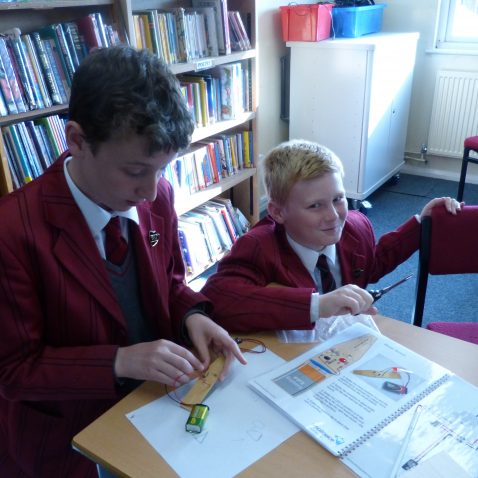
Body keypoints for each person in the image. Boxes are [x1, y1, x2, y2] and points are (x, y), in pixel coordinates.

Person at [0, 46, 246, 478]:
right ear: (76, 140)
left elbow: (167, 282)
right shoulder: (12, 232)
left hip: (154, 408)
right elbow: (15, 370)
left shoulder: (157, 199)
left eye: (162, 171)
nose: (151, 191)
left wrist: (192, 314)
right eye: (135, 172)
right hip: (71, 437)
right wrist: (119, 361)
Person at [202, 139, 461, 332]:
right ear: (278, 213)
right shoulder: (259, 245)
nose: (333, 216)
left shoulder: (356, 227)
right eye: (315, 205)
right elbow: (218, 298)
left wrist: (419, 223)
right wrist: (316, 305)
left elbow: (371, 264)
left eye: (338, 199)